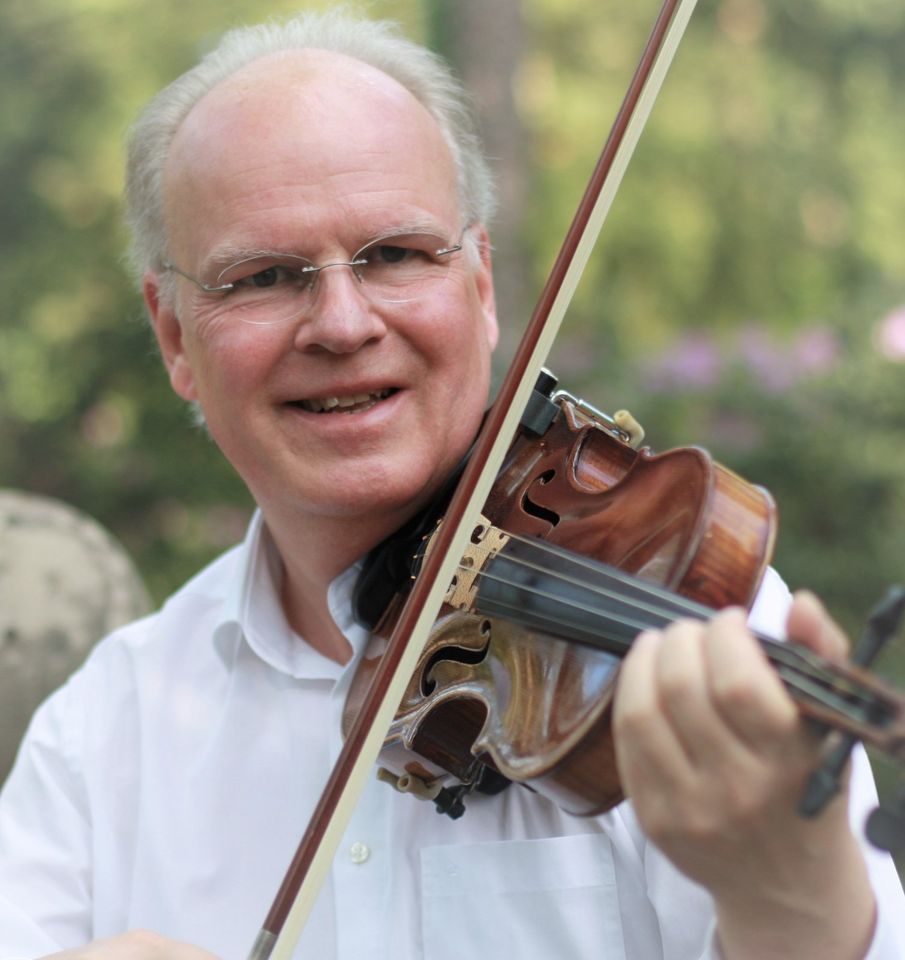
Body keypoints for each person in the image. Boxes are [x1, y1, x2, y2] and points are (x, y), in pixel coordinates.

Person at [1, 9, 903, 959]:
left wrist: (793, 897)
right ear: (176, 335)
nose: (341, 324)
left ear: (478, 285)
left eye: (393, 254)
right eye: (265, 276)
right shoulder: (107, 730)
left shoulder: (680, 609)